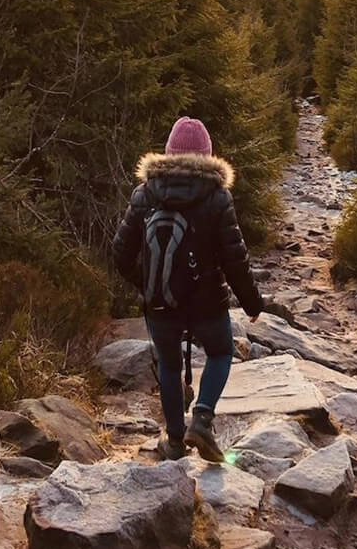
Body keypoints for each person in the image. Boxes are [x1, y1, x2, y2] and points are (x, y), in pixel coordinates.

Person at [112, 116, 265, 462]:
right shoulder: (216, 196)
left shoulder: (145, 193)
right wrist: (252, 303)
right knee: (221, 352)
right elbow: (234, 258)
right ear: (208, 156)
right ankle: (203, 418)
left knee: (168, 364)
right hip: (207, 299)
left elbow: (120, 253)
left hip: (161, 302)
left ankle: (175, 442)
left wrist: (150, 282)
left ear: (168, 153)